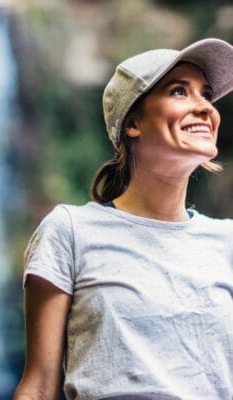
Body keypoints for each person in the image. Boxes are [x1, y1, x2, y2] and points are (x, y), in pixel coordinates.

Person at [13, 38, 233, 400]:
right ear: (133, 122)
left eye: (207, 95)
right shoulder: (70, 231)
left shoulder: (226, 242)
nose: (204, 107)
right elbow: (38, 387)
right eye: (180, 91)